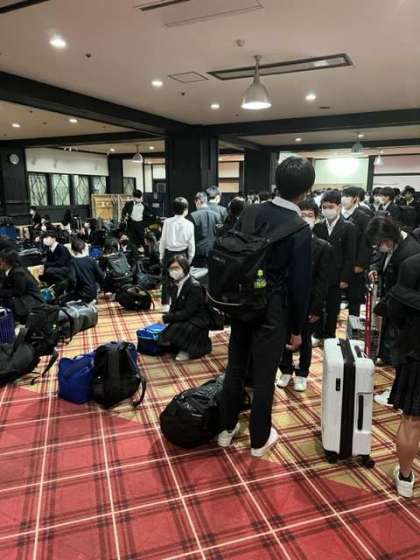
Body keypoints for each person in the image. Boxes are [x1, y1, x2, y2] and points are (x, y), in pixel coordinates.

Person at [218, 156, 314, 457]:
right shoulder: (300, 228)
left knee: (235, 368)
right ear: (307, 191)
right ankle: (259, 441)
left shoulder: (250, 211)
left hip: (241, 302)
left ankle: (226, 429)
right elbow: (300, 286)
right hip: (273, 310)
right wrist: (297, 328)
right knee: (264, 377)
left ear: (277, 182)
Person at [277, 197, 331, 392]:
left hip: (308, 302)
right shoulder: (286, 241)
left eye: (310, 215)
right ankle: (285, 369)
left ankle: (302, 373)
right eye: (302, 215)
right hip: (286, 299)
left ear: (316, 218)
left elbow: (323, 281)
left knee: (305, 339)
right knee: (284, 336)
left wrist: (316, 307)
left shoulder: (322, 246)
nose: (306, 218)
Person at [366, 216, 420, 405]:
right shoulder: (393, 245)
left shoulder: (410, 252)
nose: (377, 247)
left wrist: (383, 307)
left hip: (407, 316)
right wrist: (375, 269)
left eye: (379, 243)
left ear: (388, 237)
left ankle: (398, 394)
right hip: (394, 307)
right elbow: (382, 262)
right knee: (395, 349)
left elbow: (403, 291)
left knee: (402, 354)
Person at [385, 254, 420, 498]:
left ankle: (405, 478)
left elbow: (395, 310)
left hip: (417, 349)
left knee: (412, 419)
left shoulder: (412, 264)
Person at [312, 190, 356, 343]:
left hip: (337, 275)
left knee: (333, 307)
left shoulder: (349, 227)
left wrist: (345, 277)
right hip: (320, 274)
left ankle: (330, 335)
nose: (327, 210)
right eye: (324, 207)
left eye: (331, 207)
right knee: (317, 304)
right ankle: (318, 334)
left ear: (338, 207)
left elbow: (350, 255)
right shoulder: (318, 227)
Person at [158, 255, 211, 361]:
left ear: (185, 268)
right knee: (164, 337)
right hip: (184, 317)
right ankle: (182, 345)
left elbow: (188, 312)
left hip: (196, 321)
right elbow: (173, 306)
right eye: (171, 268)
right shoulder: (174, 285)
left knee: (175, 330)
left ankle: (194, 349)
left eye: (176, 268)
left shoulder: (194, 286)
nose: (173, 271)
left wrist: (167, 318)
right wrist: (169, 320)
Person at [159, 197, 195, 310]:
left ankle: (166, 304)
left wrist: (161, 255)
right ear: (186, 210)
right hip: (183, 254)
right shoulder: (189, 224)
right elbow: (191, 243)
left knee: (167, 279)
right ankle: (182, 304)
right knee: (183, 280)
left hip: (169, 253)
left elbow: (163, 240)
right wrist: (190, 257)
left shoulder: (167, 222)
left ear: (173, 209)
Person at [341, 185, 371, 317]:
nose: (344, 199)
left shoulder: (363, 217)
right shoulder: (338, 214)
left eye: (347, 196)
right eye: (343, 196)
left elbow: (366, 242)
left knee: (354, 298)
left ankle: (354, 324)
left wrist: (360, 264)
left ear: (355, 199)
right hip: (340, 262)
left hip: (355, 264)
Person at [0, 248, 43, 323]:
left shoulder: (18, 273)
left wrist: (2, 292)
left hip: (32, 300)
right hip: (24, 298)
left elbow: (18, 292)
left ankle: (13, 321)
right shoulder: (8, 270)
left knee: (6, 300)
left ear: (6, 262)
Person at [188, 192, 219, 268]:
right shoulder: (217, 216)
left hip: (198, 254)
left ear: (198, 201)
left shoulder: (193, 216)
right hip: (213, 252)